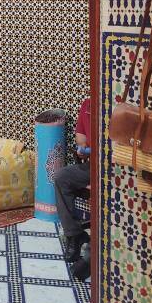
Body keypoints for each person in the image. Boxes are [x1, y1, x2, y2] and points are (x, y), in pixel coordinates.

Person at [54, 97, 90, 262]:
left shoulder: (114, 107)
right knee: (62, 177)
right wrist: (83, 150)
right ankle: (74, 234)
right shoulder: (87, 105)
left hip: (115, 166)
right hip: (92, 166)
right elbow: (81, 139)